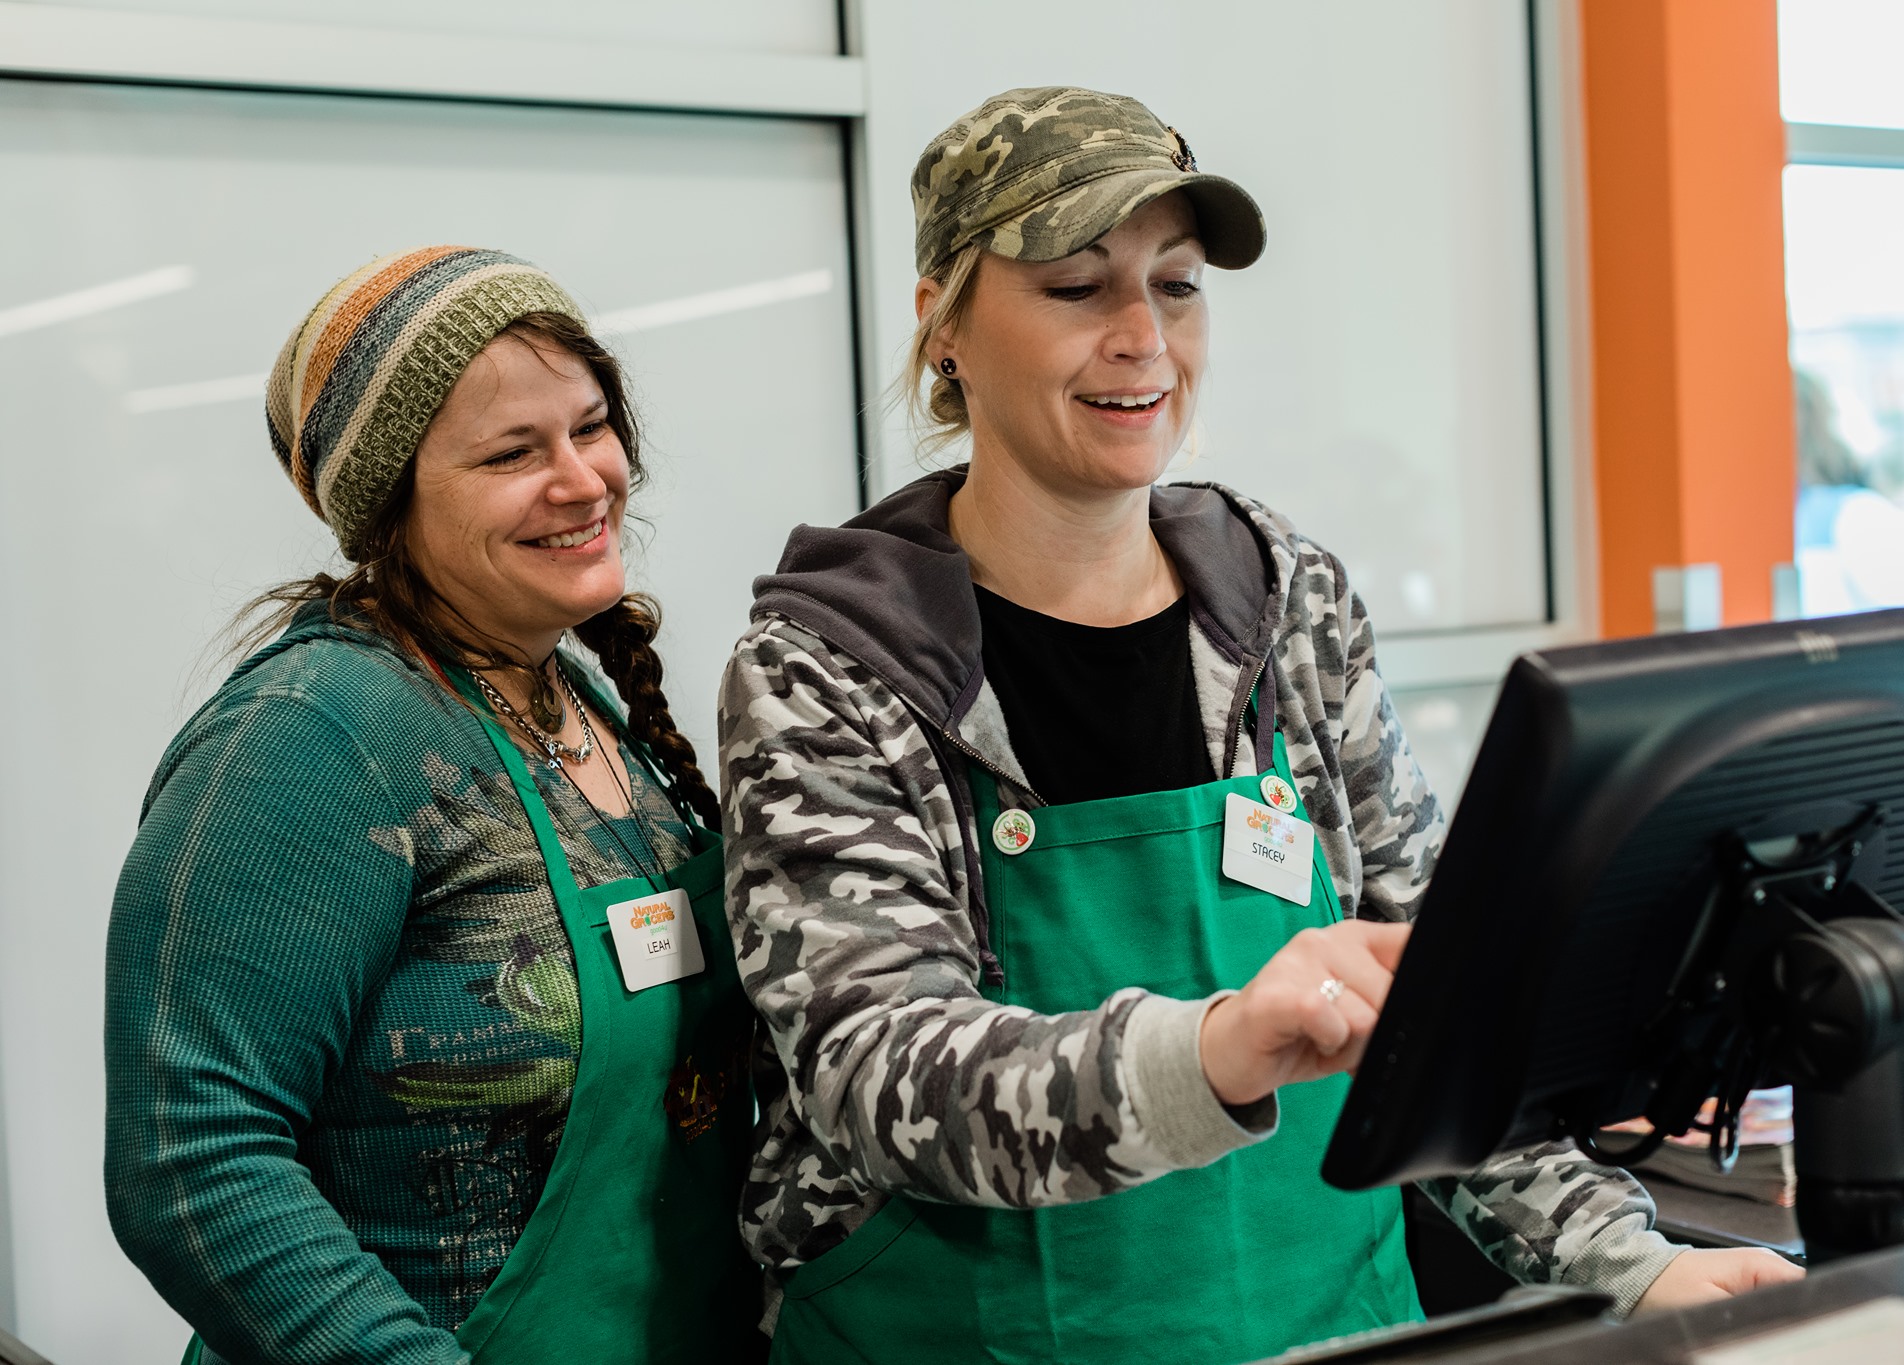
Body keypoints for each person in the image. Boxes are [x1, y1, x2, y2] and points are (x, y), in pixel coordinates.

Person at [717, 88, 1802, 1364]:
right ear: (942, 323)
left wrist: (1630, 1264)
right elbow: (878, 1079)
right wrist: (1219, 1048)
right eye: (1076, 289)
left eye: (1175, 286)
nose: (1142, 338)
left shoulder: (1287, 610)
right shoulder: (828, 669)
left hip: (1333, 1335)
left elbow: (1435, 1009)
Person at [106, 246, 759, 1364]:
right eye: (513, 452)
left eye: (590, 427)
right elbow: (191, 1161)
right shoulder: (314, 733)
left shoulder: (576, 694)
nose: (583, 480)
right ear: (392, 501)